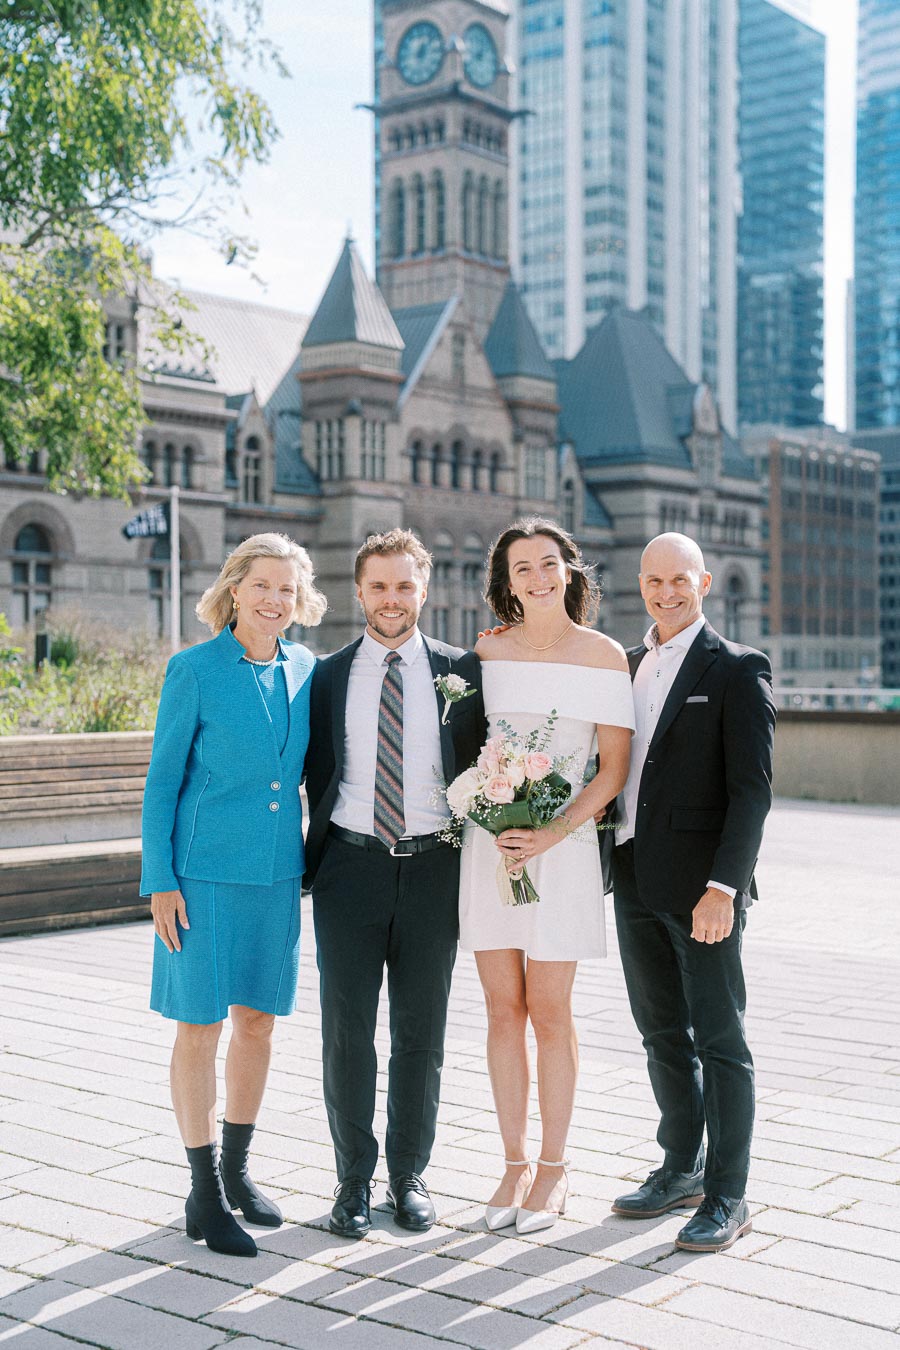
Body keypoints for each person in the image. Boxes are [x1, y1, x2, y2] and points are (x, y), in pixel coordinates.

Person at [141, 532, 326, 1257]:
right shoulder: (194, 669)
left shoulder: (306, 668)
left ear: (301, 597)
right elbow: (161, 783)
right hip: (201, 876)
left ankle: (238, 1173)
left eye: (287, 588)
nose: (275, 599)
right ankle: (202, 1191)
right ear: (234, 589)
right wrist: (159, 879)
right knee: (200, 1027)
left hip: (276, 876)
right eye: (262, 585)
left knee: (258, 1024)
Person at [304, 528, 486, 1239]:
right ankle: (352, 1183)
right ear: (359, 593)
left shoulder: (462, 672)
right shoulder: (326, 675)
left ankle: (408, 1177)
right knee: (347, 1034)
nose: (391, 600)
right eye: (378, 587)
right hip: (349, 868)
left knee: (422, 1032)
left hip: (435, 866)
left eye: (404, 586)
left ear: (425, 589)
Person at [459, 518, 634, 1234]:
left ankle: (555, 1169)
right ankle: (511, 1164)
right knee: (503, 1011)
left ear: (569, 570)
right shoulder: (484, 652)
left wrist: (554, 833)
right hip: (491, 850)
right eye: (520, 567)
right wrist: (492, 815)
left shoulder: (603, 656)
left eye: (547, 563)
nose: (535, 576)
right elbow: (467, 749)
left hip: (561, 853)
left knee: (551, 1011)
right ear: (505, 581)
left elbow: (613, 770)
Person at [610, 532, 776, 1253]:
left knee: (720, 1040)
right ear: (639, 583)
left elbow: (752, 793)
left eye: (680, 579)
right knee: (659, 1034)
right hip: (633, 879)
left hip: (703, 888)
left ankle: (729, 1195)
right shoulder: (627, 664)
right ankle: (682, 1166)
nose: (666, 592)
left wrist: (724, 889)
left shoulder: (738, 668)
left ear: (703, 582)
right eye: (654, 580)